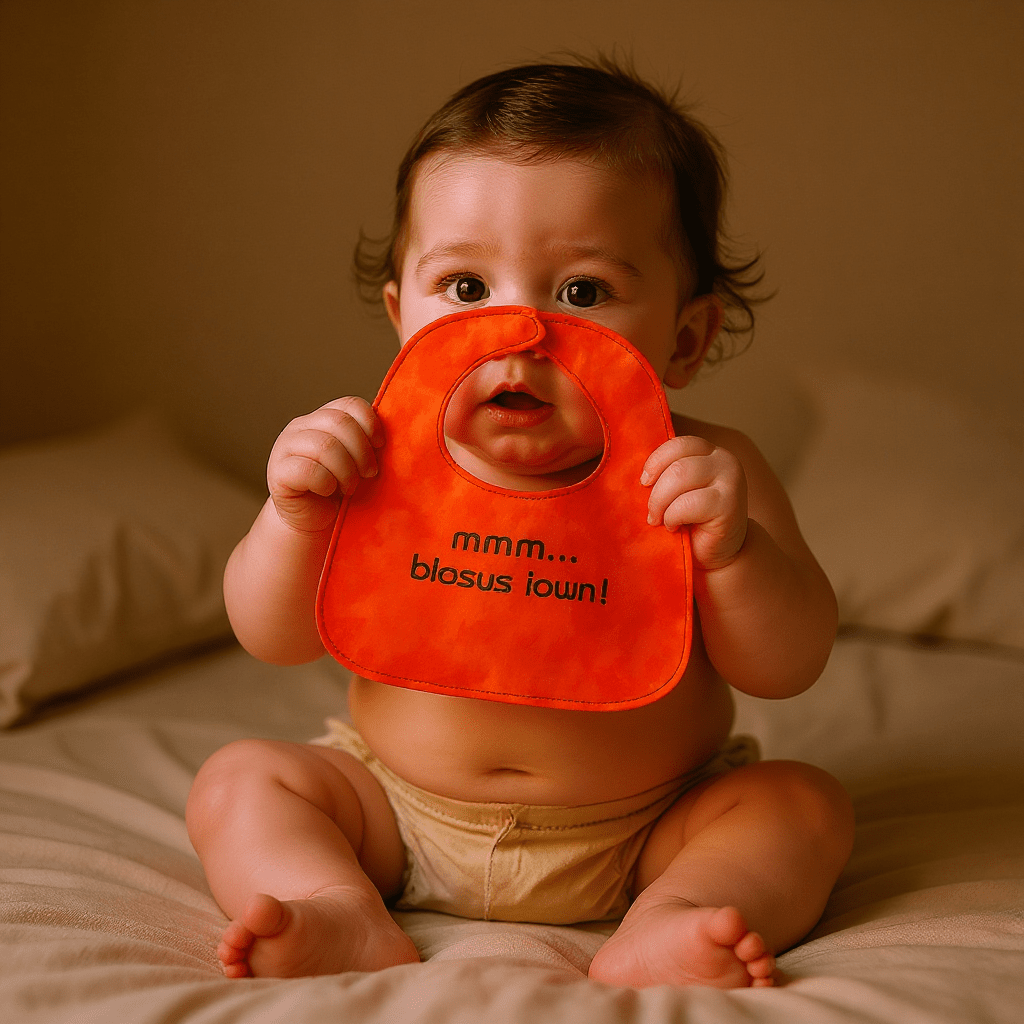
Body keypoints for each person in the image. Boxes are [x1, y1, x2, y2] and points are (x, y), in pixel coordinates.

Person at [186, 57, 854, 989]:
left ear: (687, 337)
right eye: (464, 287)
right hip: (396, 811)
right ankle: (338, 905)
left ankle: (672, 916)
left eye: (581, 292)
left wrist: (733, 552)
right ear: (399, 316)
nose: (517, 331)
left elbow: (787, 666)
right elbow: (275, 636)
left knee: (803, 806)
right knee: (240, 779)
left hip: (651, 824)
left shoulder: (707, 472)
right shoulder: (373, 460)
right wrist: (294, 516)